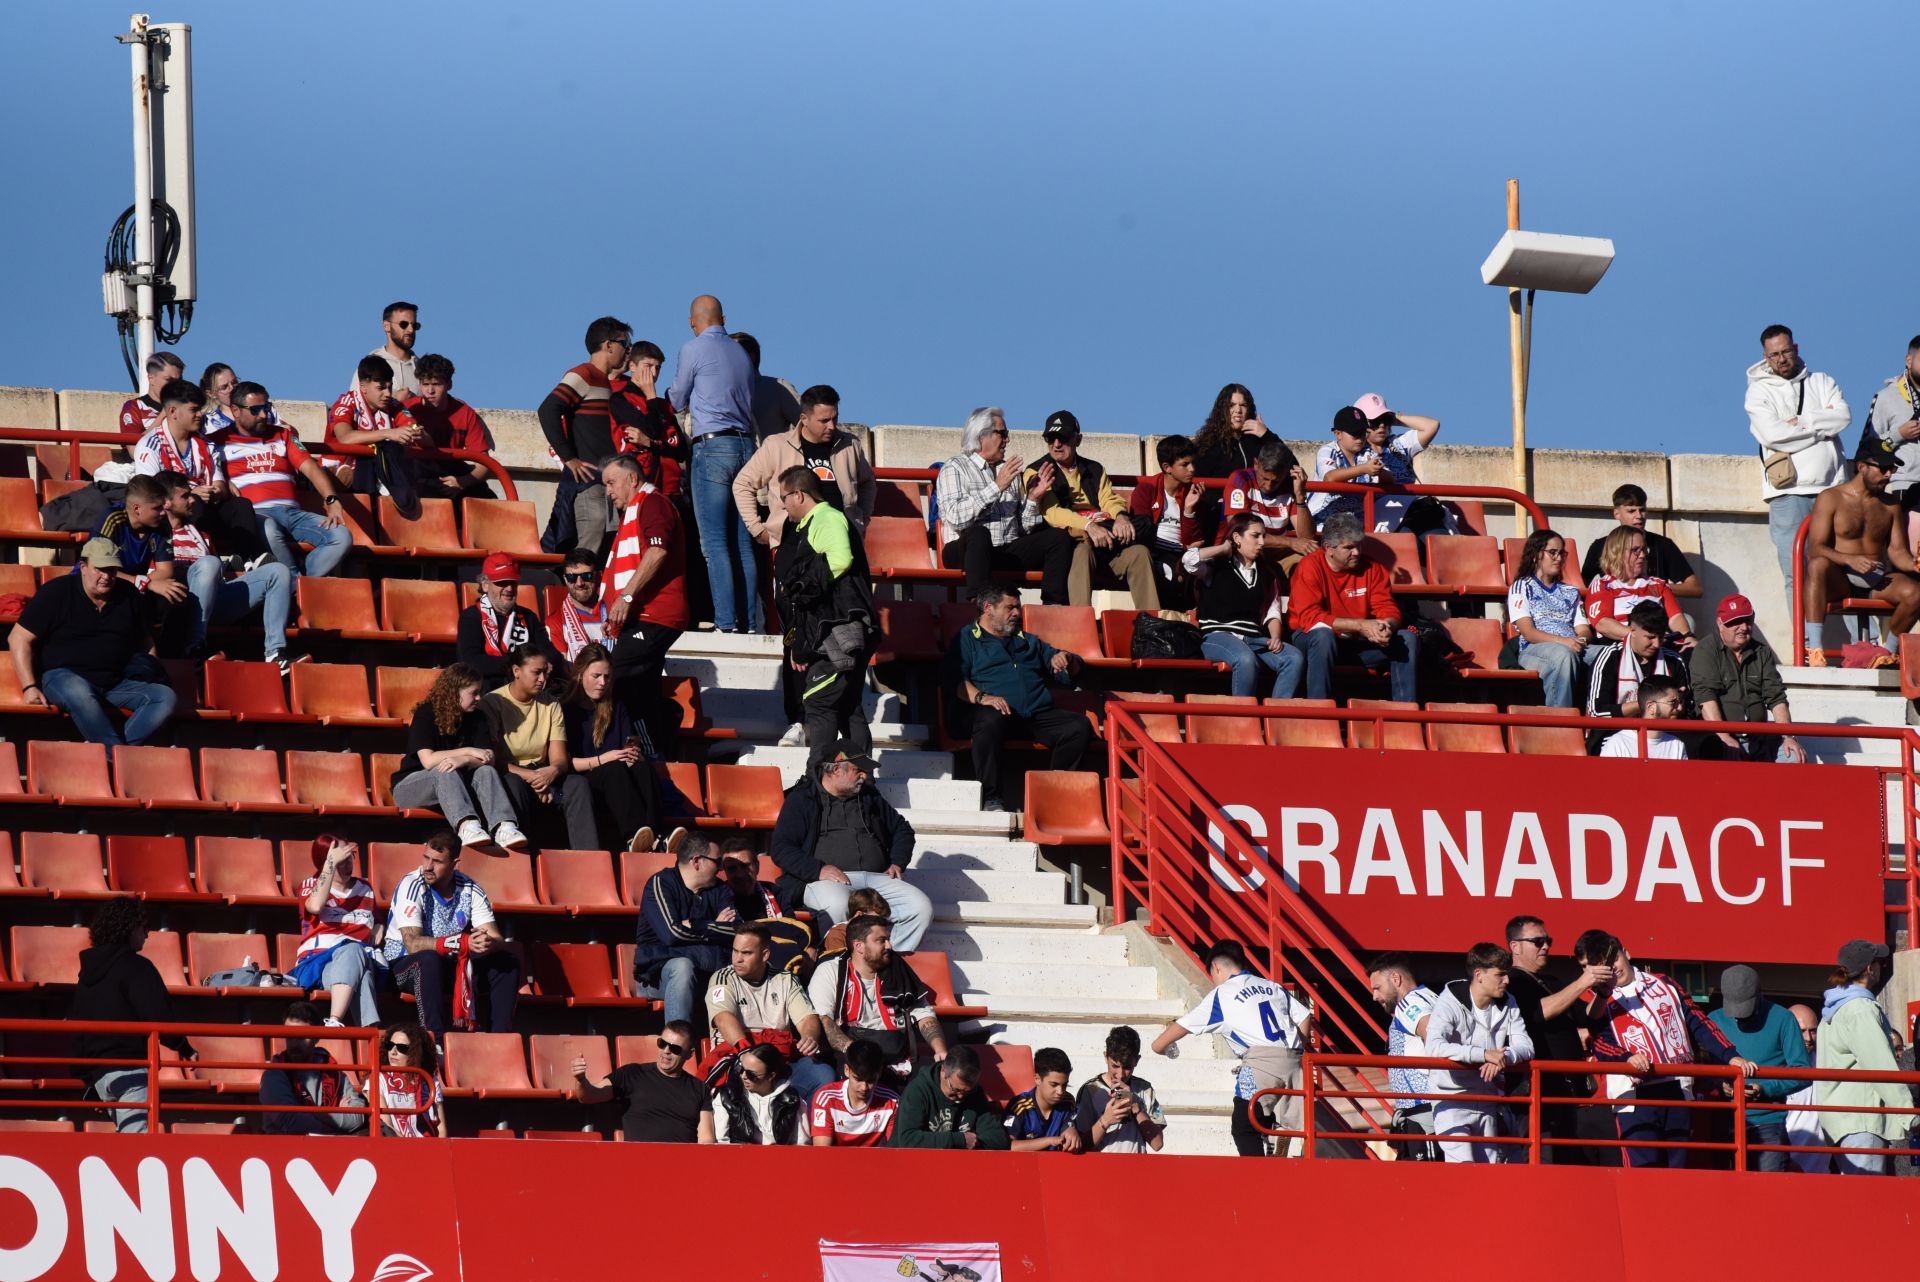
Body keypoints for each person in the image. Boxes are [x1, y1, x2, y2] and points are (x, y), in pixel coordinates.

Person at [1572, 929, 1755, 1168]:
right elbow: (1600, 1041)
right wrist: (1627, 1057)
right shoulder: (1594, 998)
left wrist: (1729, 1055)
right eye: (1603, 964)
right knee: (1642, 1174)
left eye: (1614, 958)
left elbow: (1699, 1022)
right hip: (1633, 1096)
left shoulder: (1665, 983)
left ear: (1626, 953)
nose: (1613, 967)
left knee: (1678, 1170)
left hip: (1678, 1087)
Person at [1152, 940, 1313, 1158]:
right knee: (1286, 1118)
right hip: (1294, 1060)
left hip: (1260, 1063)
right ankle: (1277, 1130)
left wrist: (1160, 1047)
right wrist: (1294, 1049)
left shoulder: (1221, 995)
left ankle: (1258, 1176)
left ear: (1216, 967)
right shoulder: (1272, 986)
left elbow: (1177, 1030)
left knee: (1242, 1127)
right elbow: (1304, 1016)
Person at [11, 537, 176, 746]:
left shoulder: (129, 595)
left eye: (112, 570)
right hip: (63, 678)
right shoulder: (55, 592)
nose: (106, 576)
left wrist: (152, 672)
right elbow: (18, 638)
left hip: (114, 682)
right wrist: (29, 687)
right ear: (83, 567)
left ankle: (113, 755)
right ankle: (118, 758)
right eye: (100, 569)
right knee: (79, 691)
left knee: (163, 697)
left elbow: (146, 641)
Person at [771, 745, 929, 950]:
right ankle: (840, 965)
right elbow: (781, 848)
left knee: (920, 907)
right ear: (837, 770)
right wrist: (818, 869)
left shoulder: (869, 797)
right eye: (858, 770)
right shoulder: (802, 799)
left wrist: (898, 861)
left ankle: (885, 965)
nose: (864, 776)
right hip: (825, 880)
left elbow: (902, 829)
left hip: (876, 879)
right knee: (837, 905)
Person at [950, 585, 1091, 812]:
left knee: (1078, 726)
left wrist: (1066, 658)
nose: (1017, 613)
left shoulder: (1027, 640)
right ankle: (992, 798)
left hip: (1034, 715)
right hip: (995, 715)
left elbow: (1070, 670)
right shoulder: (967, 638)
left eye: (1018, 607)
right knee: (989, 720)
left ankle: (1053, 795)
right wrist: (984, 698)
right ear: (988, 608)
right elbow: (954, 681)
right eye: (1010, 607)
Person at [772, 466, 877, 767]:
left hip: (840, 630)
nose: (783, 505)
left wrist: (804, 588)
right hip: (842, 629)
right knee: (847, 706)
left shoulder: (827, 517)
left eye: (784, 498)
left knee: (819, 702)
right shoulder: (817, 521)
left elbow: (840, 558)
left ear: (799, 494)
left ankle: (818, 780)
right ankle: (861, 777)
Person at [671, 295, 761, 633]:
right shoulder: (740, 353)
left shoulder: (693, 349)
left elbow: (678, 399)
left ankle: (726, 623)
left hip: (713, 447)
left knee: (715, 543)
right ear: (722, 318)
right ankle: (749, 622)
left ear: (694, 322)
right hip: (746, 447)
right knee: (742, 542)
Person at [69, 896, 194, 1132]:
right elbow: (158, 1014)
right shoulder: (137, 967)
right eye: (144, 926)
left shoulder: (86, 975)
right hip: (131, 1072)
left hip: (100, 1077)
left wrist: (87, 1080)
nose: (147, 934)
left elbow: (78, 1027)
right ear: (129, 928)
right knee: (137, 1148)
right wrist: (184, 1047)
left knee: (128, 1140)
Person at [1746, 324, 1849, 604]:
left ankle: (1860, 644)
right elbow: (1773, 435)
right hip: (1787, 493)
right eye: (1774, 354)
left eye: (1786, 351)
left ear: (1797, 349)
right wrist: (1820, 428)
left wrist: (1801, 423)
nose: (1782, 359)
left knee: (1845, 569)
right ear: (1765, 357)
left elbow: (1842, 417)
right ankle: (1804, 646)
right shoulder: (1758, 392)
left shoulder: (1823, 382)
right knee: (1796, 572)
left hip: (1832, 489)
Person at [381, 830, 522, 1034]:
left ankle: (500, 1039)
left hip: (449, 964)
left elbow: (496, 936)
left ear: (454, 863)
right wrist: (461, 942)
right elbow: (412, 943)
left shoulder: (470, 888)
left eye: (437, 861)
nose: (428, 867)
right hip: (404, 966)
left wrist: (487, 942)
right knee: (428, 960)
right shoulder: (412, 885)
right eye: (426, 858)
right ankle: (434, 1040)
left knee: (506, 962)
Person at [211, 381, 353, 579]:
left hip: (293, 515)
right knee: (268, 530)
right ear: (235, 410)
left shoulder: (282, 435)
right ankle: (296, 584)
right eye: (255, 410)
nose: (263, 415)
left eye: (266, 408)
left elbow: (311, 468)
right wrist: (224, 481)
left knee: (342, 536)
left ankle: (300, 583)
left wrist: (332, 500)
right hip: (258, 516)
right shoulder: (217, 441)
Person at [1504, 916, 1615, 1166]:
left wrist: (1604, 992)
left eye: (1548, 941)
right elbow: (1537, 1012)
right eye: (1538, 941)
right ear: (1515, 946)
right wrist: (1583, 982)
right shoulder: (1512, 981)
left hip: (1568, 1091)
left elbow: (1586, 1016)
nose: (1546, 947)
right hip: (1537, 1091)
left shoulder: (1552, 981)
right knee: (1542, 1159)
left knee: (1568, 1162)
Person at [936, 406, 1074, 605]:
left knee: (1058, 539)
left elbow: (1023, 528)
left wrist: (1034, 499)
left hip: (1004, 550)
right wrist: (996, 487)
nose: (1007, 440)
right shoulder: (956, 467)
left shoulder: (1008, 470)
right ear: (981, 436)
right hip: (965, 551)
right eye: (1003, 434)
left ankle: (1053, 607)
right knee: (979, 534)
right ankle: (981, 606)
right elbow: (956, 518)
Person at [158, 469, 295, 668]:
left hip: (215, 600)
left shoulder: (200, 532)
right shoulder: (157, 534)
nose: (192, 500)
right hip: (181, 603)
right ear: (166, 502)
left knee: (278, 571)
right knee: (209, 563)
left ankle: (275, 653)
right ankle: (195, 648)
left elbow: (217, 566)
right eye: (185, 496)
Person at [1028, 410, 1160, 611]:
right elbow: (1053, 513)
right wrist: (1089, 526)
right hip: (1072, 545)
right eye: (1050, 438)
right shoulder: (1036, 470)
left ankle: (1154, 627)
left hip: (1105, 541)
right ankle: (1081, 624)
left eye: (1062, 437)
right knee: (1082, 551)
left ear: (1077, 439)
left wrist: (1121, 517)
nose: (1056, 444)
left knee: (1140, 553)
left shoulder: (1095, 469)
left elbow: (1109, 499)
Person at [601, 454, 689, 755]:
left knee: (608, 680)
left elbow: (657, 551)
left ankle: (660, 731)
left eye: (612, 483)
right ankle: (657, 751)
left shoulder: (653, 503)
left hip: (655, 614)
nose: (608, 492)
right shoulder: (637, 510)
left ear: (633, 480)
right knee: (639, 693)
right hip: (643, 616)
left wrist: (625, 596)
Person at [1804, 436, 1920, 664]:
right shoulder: (1831, 498)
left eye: (1892, 469)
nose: (1889, 475)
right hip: (1840, 580)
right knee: (1817, 565)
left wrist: (1914, 563)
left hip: (1876, 581)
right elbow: (1815, 548)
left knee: (1916, 593)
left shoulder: (1890, 505)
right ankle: (1815, 649)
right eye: (1884, 468)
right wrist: (1849, 560)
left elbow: (1897, 552)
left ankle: (1887, 653)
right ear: (1862, 467)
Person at [390, 662, 526, 853]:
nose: (479, 698)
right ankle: (466, 825)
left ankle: (504, 826)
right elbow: (428, 760)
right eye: (474, 693)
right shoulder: (426, 713)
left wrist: (464, 760)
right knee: (444, 769)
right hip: (412, 786)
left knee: (485, 770)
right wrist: (468, 751)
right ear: (454, 693)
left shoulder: (477, 717)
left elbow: (489, 758)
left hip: (456, 787)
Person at [131, 376, 268, 565]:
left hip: (208, 510)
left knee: (241, 505)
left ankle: (249, 560)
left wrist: (216, 491)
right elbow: (149, 494)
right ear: (172, 412)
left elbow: (219, 481)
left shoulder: (206, 443)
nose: (199, 415)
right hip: (172, 517)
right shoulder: (149, 445)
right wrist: (191, 494)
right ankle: (210, 557)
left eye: (200, 410)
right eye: (194, 410)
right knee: (193, 502)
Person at [1286, 511, 1420, 703]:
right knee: (1323, 635)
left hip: (1355, 642)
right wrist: (1361, 626)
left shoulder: (1372, 568)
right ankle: (1317, 713)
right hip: (1311, 641)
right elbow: (1310, 618)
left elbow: (1387, 607)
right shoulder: (1309, 567)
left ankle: (1405, 715)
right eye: (1348, 547)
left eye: (1358, 545)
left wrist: (1385, 627)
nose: (1356, 552)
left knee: (1407, 638)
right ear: (1328, 548)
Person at [734, 383, 876, 554]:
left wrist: (860, 521)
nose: (831, 426)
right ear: (804, 419)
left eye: (835, 418)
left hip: (844, 543)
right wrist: (757, 529)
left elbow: (868, 483)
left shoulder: (850, 445)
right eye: (824, 421)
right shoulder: (777, 445)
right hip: (795, 548)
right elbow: (742, 484)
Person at [1424, 943, 1534, 1163]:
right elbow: (1434, 1046)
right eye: (1500, 975)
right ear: (1479, 975)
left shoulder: (1508, 1001)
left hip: (1486, 1100)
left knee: (1488, 1173)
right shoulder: (1449, 1001)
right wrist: (1484, 1054)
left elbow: (1526, 1046)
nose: (1507, 980)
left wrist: (1503, 1056)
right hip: (1450, 1100)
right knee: (1463, 1172)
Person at [483, 644, 597, 850]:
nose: (543, 679)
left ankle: (588, 858)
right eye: (536, 672)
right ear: (516, 671)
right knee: (513, 785)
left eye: (545, 672)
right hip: (513, 773)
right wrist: (534, 778)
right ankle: (521, 858)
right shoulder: (492, 703)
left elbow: (559, 760)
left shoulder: (551, 704)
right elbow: (494, 760)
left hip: (543, 772)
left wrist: (550, 773)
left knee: (577, 785)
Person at [566, 642, 676, 853]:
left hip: (619, 781)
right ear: (580, 674)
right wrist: (605, 758)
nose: (602, 682)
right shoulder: (566, 710)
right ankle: (633, 836)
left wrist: (633, 754)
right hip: (585, 781)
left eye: (607, 677)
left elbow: (628, 744)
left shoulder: (617, 707)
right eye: (596, 676)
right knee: (613, 769)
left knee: (644, 767)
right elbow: (565, 762)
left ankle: (656, 835)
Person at [1183, 513, 1306, 698]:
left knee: (1294, 658)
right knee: (1245, 659)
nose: (1262, 542)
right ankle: (1243, 720)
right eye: (1255, 536)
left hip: (1253, 638)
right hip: (1218, 637)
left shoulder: (1268, 573)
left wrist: (1275, 637)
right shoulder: (1215, 567)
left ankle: (1276, 719)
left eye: (1263, 536)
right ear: (1237, 538)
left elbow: (1272, 612)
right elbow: (1188, 561)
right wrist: (1223, 548)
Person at [706, 922, 834, 1100]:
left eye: (746, 953)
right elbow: (723, 1018)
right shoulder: (722, 978)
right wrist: (745, 1052)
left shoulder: (786, 979)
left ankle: (813, 1127)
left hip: (779, 1061)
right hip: (740, 1057)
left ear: (765, 954)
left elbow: (807, 1018)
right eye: (735, 951)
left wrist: (809, 1037)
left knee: (823, 1075)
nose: (737, 959)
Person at [809, 915, 947, 1079]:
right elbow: (825, 1022)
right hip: (850, 1054)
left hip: (896, 1055)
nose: (889, 946)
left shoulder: (899, 971)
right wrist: (857, 1053)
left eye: (888, 939)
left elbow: (925, 1016)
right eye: (881, 940)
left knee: (940, 1077)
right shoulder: (830, 971)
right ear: (859, 946)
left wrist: (940, 1050)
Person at [538, 316, 630, 559]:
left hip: (606, 484)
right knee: (587, 553)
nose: (627, 351)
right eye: (625, 344)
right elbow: (548, 409)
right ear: (609, 345)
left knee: (606, 555)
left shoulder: (605, 383)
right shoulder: (584, 374)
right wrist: (569, 458)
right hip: (589, 485)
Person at [1816, 939, 1911, 1174]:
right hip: (1862, 1121)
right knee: (1869, 1202)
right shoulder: (1860, 1009)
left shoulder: (1835, 1008)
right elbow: (1881, 1067)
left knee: (1857, 1202)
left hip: (1844, 1121)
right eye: (1879, 962)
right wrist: (1909, 1115)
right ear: (1870, 968)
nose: (1882, 967)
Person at [1707, 964, 1813, 1172]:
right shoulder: (1714, 1020)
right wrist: (1720, 1085)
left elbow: (1803, 1073)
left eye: (1744, 1007)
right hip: (1722, 1122)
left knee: (1768, 1197)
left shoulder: (1783, 1018)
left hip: (1767, 1124)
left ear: (1759, 994)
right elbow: (1702, 1069)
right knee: (1725, 1199)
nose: (1739, 1016)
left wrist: (1764, 1088)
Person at [632, 833, 738, 1026]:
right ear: (697, 861)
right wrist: (715, 927)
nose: (721, 869)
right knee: (682, 966)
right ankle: (676, 1046)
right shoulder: (661, 884)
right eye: (717, 861)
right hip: (659, 977)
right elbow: (672, 935)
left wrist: (696, 924)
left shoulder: (720, 890)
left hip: (707, 972)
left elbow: (737, 930)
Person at [1688, 593, 1808, 762]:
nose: (1744, 627)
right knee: (1723, 755)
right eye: (1736, 622)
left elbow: (1776, 697)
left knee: (1793, 756)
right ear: (1720, 623)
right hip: (1720, 738)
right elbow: (1706, 697)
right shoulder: (1705, 650)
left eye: (1748, 620)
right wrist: (1724, 737)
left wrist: (1788, 736)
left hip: (1759, 739)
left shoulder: (1762, 652)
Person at [290, 835, 383, 1028]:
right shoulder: (310, 886)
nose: (349, 864)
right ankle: (339, 1022)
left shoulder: (365, 888)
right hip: (318, 963)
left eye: (351, 856)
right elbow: (315, 906)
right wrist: (331, 865)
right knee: (356, 958)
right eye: (342, 859)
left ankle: (367, 1041)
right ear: (327, 862)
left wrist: (378, 927)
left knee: (359, 963)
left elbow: (377, 920)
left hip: (356, 962)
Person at [572, 1019, 715, 1143]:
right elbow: (589, 1096)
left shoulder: (699, 1088)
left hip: (681, 1165)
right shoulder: (632, 1074)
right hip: (638, 1164)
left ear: (689, 1054)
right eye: (662, 1043)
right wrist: (581, 1080)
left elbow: (706, 1139)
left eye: (675, 1048)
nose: (666, 1051)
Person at [1585, 601, 1694, 753]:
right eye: (1650, 637)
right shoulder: (1609, 658)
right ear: (1632, 630)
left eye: (1661, 637)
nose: (1656, 644)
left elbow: (1688, 710)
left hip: (1664, 734)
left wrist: (1677, 703)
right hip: (1614, 734)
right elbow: (1597, 712)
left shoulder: (1674, 661)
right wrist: (1654, 703)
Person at [326, 356, 426, 510]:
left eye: (389, 387)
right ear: (363, 387)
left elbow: (417, 431)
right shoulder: (346, 403)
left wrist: (416, 432)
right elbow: (345, 437)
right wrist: (388, 433)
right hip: (341, 476)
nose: (387, 393)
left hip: (374, 474)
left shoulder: (394, 405)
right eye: (381, 388)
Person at [1506, 528, 1589, 707]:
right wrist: (1564, 642)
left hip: (1573, 646)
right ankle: (1562, 724)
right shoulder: (1521, 587)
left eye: (1562, 553)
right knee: (1563, 655)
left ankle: (1603, 723)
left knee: (1609, 654)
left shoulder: (1571, 592)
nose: (1559, 558)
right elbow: (1528, 633)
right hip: (1535, 650)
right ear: (1536, 555)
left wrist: (1579, 641)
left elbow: (1584, 629)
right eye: (1552, 553)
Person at [1366, 954, 1438, 1158]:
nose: (1374, 996)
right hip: (1422, 1111)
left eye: (1377, 988)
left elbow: (1433, 1036)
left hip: (1423, 1114)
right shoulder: (1430, 996)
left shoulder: (1410, 1004)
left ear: (1396, 979)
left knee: (1427, 1183)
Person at [260, 1001, 369, 1136]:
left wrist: (309, 1112)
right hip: (286, 1151)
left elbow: (358, 1117)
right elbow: (290, 1121)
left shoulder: (334, 1071)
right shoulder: (274, 1074)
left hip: (330, 1149)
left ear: (316, 1037)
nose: (294, 1043)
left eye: (301, 1037)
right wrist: (335, 1120)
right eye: (289, 1036)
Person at [1346, 394, 1449, 535]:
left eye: (1385, 419)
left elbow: (1432, 425)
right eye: (1375, 421)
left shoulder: (1398, 444)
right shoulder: (1353, 451)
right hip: (1381, 519)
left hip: (1413, 512)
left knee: (1437, 535)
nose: (1382, 425)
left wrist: (1395, 418)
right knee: (1410, 539)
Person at [1126, 434, 1207, 609]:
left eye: (1193, 463)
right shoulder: (1146, 490)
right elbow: (1143, 533)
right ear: (1167, 467)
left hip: (1183, 554)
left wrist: (1189, 510)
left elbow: (1192, 540)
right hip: (1155, 552)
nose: (1192, 469)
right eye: (1185, 464)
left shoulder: (1192, 493)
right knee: (1169, 573)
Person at [457, 552, 562, 685]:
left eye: (513, 582)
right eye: (502, 582)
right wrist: (522, 664)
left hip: (529, 691)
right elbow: (471, 662)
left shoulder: (528, 617)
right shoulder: (471, 617)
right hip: (488, 692)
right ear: (485, 585)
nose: (509, 588)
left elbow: (551, 654)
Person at [1579, 484, 1700, 596]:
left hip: (1655, 612)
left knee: (1688, 620)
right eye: (1631, 511)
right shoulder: (1600, 546)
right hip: (1614, 612)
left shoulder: (1662, 544)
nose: (1639, 516)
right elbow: (1582, 587)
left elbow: (1695, 588)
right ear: (1616, 514)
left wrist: (1653, 587)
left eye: (1642, 510)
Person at [1584, 525, 1691, 648]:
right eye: (1635, 550)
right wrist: (1642, 637)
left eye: (1644, 549)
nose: (1642, 555)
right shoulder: (1603, 585)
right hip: (1619, 646)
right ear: (1617, 552)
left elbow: (1675, 617)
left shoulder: (1658, 584)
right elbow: (1603, 624)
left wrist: (1688, 636)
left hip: (1660, 645)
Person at [406, 353, 496, 498]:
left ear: (449, 385)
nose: (430, 391)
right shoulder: (407, 410)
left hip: (451, 473)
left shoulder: (465, 413)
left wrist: (462, 482)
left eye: (436, 384)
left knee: (487, 497)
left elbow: (484, 464)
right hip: (419, 476)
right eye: (425, 384)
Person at [889, 1045, 1011, 1150]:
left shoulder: (975, 1094)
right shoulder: (918, 1090)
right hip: (907, 1167)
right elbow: (908, 1140)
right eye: (956, 1090)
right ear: (943, 1071)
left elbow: (999, 1138)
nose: (961, 1096)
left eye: (967, 1091)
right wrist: (960, 1140)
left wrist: (973, 1142)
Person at [1221, 437, 1317, 565]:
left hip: (1277, 556)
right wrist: (1290, 542)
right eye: (1265, 478)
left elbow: (1306, 538)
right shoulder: (1240, 479)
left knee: (1311, 561)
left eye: (1276, 481)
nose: (1268, 486)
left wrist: (1300, 496)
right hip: (1242, 554)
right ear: (1256, 464)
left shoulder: (1290, 485)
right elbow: (1240, 532)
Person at [1074, 1026, 1166, 1153]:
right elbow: (1080, 1146)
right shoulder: (1090, 1090)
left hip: (1136, 1169)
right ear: (1106, 1057)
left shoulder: (1145, 1089)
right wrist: (1105, 1120)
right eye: (1115, 1066)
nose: (1121, 1074)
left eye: (1127, 1067)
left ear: (1137, 1060)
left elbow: (1157, 1144)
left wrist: (1136, 1107)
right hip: (1101, 1169)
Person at [1862, 335, 1920, 533]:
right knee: (1911, 556)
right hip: (1904, 484)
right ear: (1909, 360)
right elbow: (1868, 448)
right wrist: (1898, 434)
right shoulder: (1886, 397)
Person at [810, 1039, 902, 1147]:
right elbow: (822, 1154)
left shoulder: (892, 1102)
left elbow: (896, 1151)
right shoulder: (826, 1099)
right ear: (846, 1070)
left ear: (880, 1073)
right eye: (858, 1079)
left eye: (871, 1080)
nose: (864, 1087)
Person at [713, 1042, 809, 1145]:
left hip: (779, 1158)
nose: (744, 1076)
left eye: (751, 1074)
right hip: (739, 1157)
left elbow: (801, 1144)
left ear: (771, 1076)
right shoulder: (727, 1095)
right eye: (741, 1069)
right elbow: (721, 1142)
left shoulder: (792, 1100)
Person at [1004, 1047, 1083, 1153]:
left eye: (1064, 1085)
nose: (1060, 1091)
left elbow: (1069, 1127)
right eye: (1054, 1085)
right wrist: (1049, 1141)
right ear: (1037, 1079)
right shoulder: (1019, 1106)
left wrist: (1072, 1132)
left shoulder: (1068, 1101)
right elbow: (1008, 1146)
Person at [731, 331, 804, 444]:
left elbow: (807, 425)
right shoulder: (718, 391)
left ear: (751, 357)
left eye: (731, 353)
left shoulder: (778, 388)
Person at [374, 1021, 444, 1138]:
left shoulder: (430, 1080)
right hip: (396, 1146)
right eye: (390, 1045)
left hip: (429, 1146)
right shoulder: (377, 1078)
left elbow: (441, 1129)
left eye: (401, 1048)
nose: (393, 1052)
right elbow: (386, 1126)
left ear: (414, 1052)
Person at [1596, 674, 1690, 760]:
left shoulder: (1677, 744)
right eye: (1673, 702)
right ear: (1651, 707)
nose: (1680, 708)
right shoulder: (1617, 743)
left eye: (1680, 702)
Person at [1192, 383, 1272, 479]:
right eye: (1231, 405)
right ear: (1222, 410)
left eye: (1243, 405)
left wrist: (1266, 434)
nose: (1238, 410)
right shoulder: (1208, 445)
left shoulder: (1258, 443)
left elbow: (1289, 464)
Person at [1784, 1003, 1827, 1172]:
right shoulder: (1774, 1065)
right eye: (1801, 1031)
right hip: (1784, 1170)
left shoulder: (1827, 1062)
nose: (1808, 1038)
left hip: (1821, 1173)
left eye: (1813, 1030)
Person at [545, 548, 608, 663]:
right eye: (571, 578)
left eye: (586, 576)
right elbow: (560, 670)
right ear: (565, 579)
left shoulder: (614, 612)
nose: (579, 583)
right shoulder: (555, 621)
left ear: (599, 576)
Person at [361, 300, 422, 398]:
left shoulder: (422, 368)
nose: (410, 330)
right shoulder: (370, 365)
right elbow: (357, 408)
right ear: (386, 326)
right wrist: (396, 403)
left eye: (414, 326)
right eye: (403, 324)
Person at [118, 351, 185, 435]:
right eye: (168, 379)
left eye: (179, 381)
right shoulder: (134, 407)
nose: (175, 385)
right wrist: (165, 414)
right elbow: (134, 447)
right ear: (151, 378)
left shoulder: (187, 407)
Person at [198, 362, 239, 433]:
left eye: (234, 382)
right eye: (224, 387)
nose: (232, 388)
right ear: (211, 394)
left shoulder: (258, 411)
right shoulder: (207, 423)